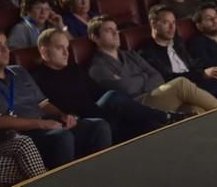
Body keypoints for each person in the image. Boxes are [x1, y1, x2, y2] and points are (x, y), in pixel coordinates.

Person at [31, 29, 185, 143]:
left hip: (97, 112)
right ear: (44, 52)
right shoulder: (37, 77)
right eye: (60, 48)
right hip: (79, 121)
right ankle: (165, 116)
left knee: (144, 122)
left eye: (67, 47)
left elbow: (98, 92)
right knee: (113, 98)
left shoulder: (74, 69)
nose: (66, 53)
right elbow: (45, 107)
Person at [0, 27, 111, 169]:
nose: (5, 50)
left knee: (98, 126)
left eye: (6, 45)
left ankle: (103, 175)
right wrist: (43, 124)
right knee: (62, 137)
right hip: (22, 136)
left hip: (46, 125)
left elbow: (44, 104)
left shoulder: (19, 71)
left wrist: (62, 115)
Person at [87, 15, 217, 114]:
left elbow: (157, 77)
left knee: (194, 109)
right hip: (137, 106)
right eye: (108, 30)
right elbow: (126, 89)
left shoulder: (130, 54)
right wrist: (144, 76)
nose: (115, 33)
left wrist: (137, 79)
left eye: (115, 29)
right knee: (181, 84)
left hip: (155, 96)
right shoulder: (97, 67)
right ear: (95, 37)